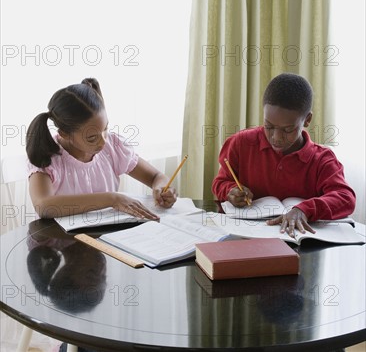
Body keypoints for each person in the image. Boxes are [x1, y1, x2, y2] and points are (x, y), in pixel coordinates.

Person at [212, 73, 356, 238]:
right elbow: (220, 182)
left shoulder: (322, 159)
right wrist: (230, 191)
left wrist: (305, 209)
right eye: (269, 126)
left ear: (307, 120)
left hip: (300, 244)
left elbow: (346, 198)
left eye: (288, 129)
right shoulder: (240, 143)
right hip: (248, 238)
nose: (276, 137)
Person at [26, 77, 177, 219]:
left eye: (105, 128)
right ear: (65, 134)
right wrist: (111, 199)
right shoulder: (47, 155)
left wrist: (162, 188)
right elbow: (43, 206)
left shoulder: (113, 146)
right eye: (92, 137)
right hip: (59, 241)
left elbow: (156, 177)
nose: (103, 142)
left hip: (106, 238)